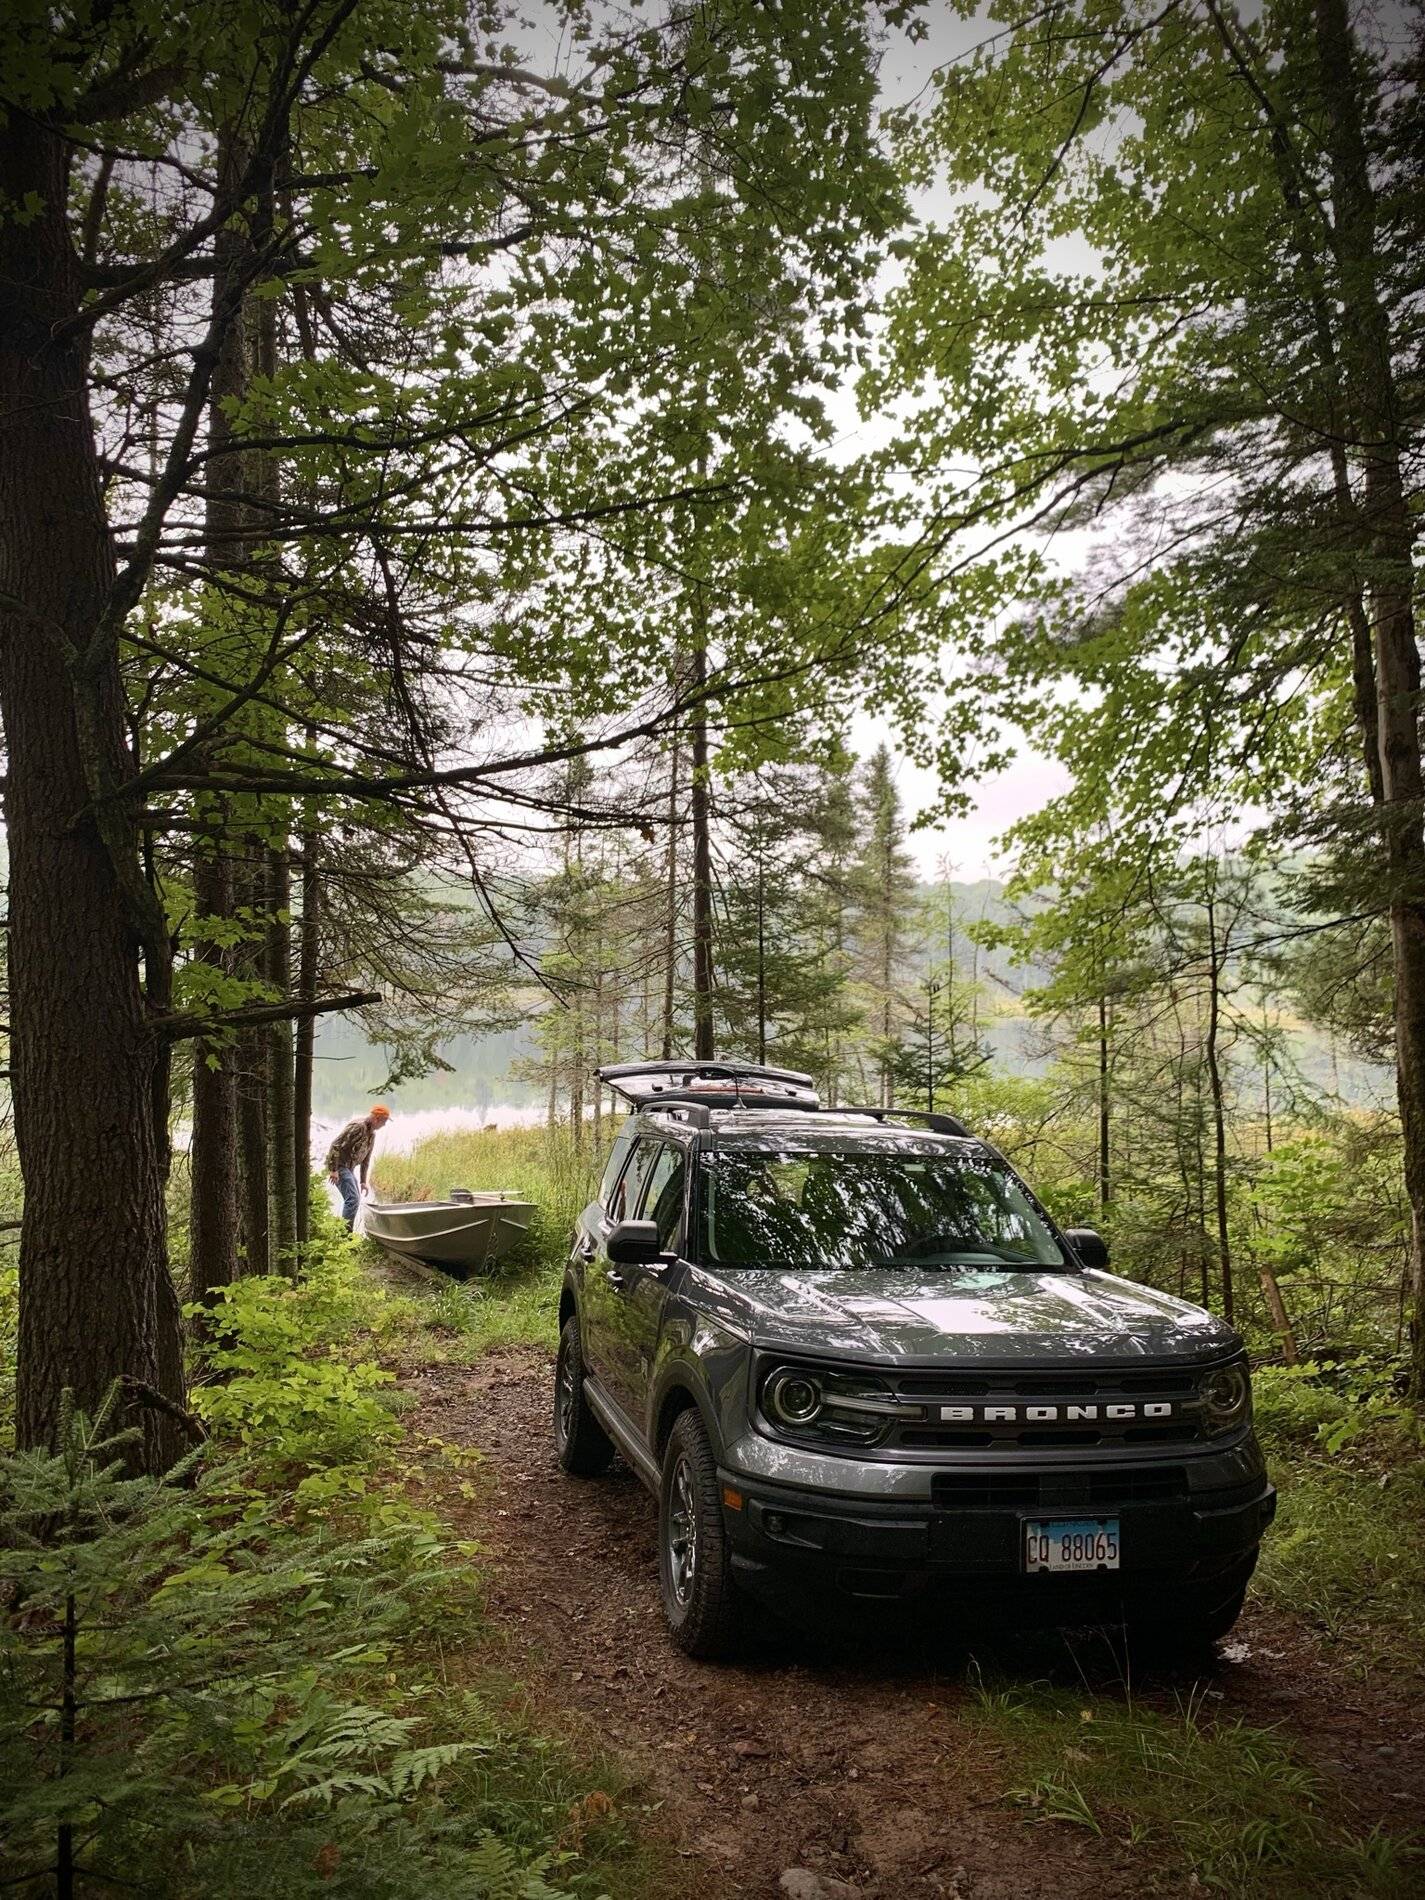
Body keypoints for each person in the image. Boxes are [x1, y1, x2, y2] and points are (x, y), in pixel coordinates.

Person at [326, 1103, 391, 1228]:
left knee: (354, 1198)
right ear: (376, 1119)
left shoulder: (372, 1134)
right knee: (353, 1199)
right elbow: (335, 1145)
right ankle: (345, 1236)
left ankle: (344, 1232)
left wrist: (363, 1181)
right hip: (339, 1165)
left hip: (348, 1168)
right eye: (384, 1121)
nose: (384, 1125)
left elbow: (366, 1160)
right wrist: (334, 1170)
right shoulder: (358, 1127)